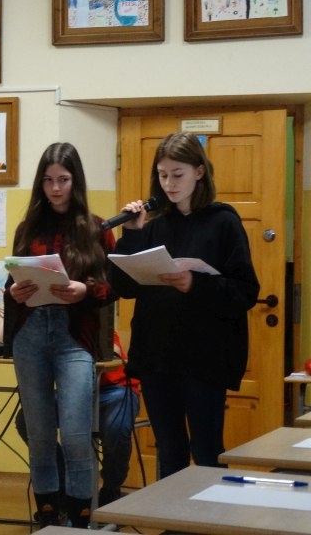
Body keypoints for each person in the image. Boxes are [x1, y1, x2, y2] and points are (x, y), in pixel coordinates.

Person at [109, 131, 259, 480]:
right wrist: (132, 233)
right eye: (162, 175)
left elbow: (245, 291)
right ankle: (171, 514)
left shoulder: (223, 221)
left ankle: (210, 512)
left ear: (199, 172)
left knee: (206, 450)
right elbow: (124, 287)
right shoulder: (153, 225)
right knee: (169, 451)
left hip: (205, 357)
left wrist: (196, 283)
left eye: (177, 175)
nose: (169, 184)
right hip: (158, 355)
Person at [3, 142, 116, 529]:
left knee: (75, 433)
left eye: (63, 180)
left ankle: (80, 519)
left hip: (74, 337)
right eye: (48, 180)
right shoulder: (27, 229)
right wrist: (14, 292)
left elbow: (113, 286)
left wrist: (86, 290)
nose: (55, 188)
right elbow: (12, 283)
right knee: (38, 434)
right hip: (31, 332)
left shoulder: (96, 228)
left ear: (75, 181)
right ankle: (49, 516)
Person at [14, 331, 141, 509]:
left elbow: (113, 350)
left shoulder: (91, 320)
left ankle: (111, 488)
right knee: (27, 421)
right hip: (72, 392)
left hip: (115, 389)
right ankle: (63, 486)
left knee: (116, 428)